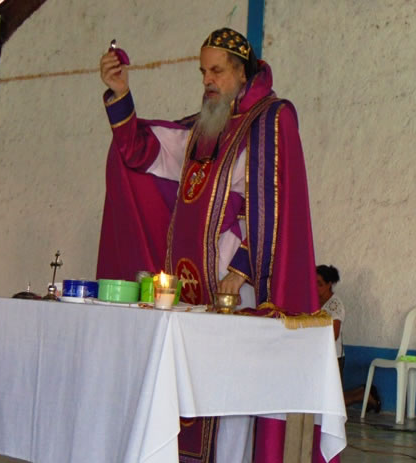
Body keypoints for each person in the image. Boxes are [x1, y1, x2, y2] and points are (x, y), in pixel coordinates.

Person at [98, 28, 323, 463]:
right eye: (203, 72)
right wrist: (121, 93)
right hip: (191, 286)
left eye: (217, 71)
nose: (208, 81)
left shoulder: (271, 120)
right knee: (191, 391)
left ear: (243, 73)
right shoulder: (203, 128)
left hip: (237, 285)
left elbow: (276, 207)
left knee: (231, 395)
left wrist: (238, 273)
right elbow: (141, 153)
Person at [316, 264, 381, 413]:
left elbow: (334, 334)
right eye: (312, 283)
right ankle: (361, 393)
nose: (315, 287)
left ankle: (362, 395)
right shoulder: (313, 301)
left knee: (330, 402)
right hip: (317, 355)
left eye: (319, 284)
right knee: (322, 397)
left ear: (329, 284)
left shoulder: (334, 305)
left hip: (333, 357)